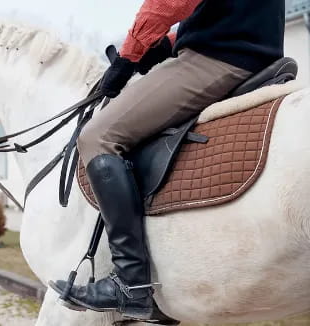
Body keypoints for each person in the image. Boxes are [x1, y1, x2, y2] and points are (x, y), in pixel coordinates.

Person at [51, 0, 285, 320]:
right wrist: (166, 46)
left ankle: (130, 283)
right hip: (251, 53)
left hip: (219, 59)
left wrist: (127, 57)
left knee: (98, 137)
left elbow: (168, 4)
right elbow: (228, 16)